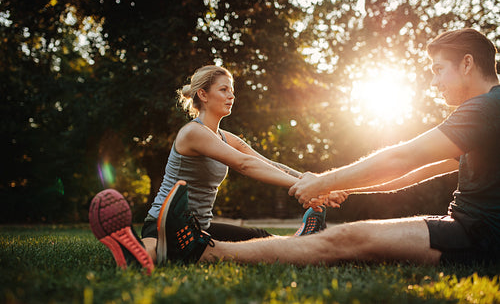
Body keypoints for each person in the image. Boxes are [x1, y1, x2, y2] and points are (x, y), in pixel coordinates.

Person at [156, 28, 500, 266]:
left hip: (476, 237)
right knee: (351, 237)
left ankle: (202, 253)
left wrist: (323, 184)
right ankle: (199, 247)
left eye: (439, 70)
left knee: (348, 238)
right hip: (464, 227)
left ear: (467, 64)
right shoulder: (485, 114)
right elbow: (411, 173)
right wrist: (338, 187)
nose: (435, 81)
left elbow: (403, 157)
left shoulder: (486, 108)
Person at [88, 65, 326, 273]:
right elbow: (245, 165)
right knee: (159, 249)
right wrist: (305, 186)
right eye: (223, 89)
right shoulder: (193, 132)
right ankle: (132, 252)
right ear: (203, 94)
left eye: (232, 90)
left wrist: (317, 181)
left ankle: (303, 238)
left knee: (262, 238)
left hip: (200, 227)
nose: (231, 95)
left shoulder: (225, 137)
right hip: (164, 222)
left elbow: (268, 164)